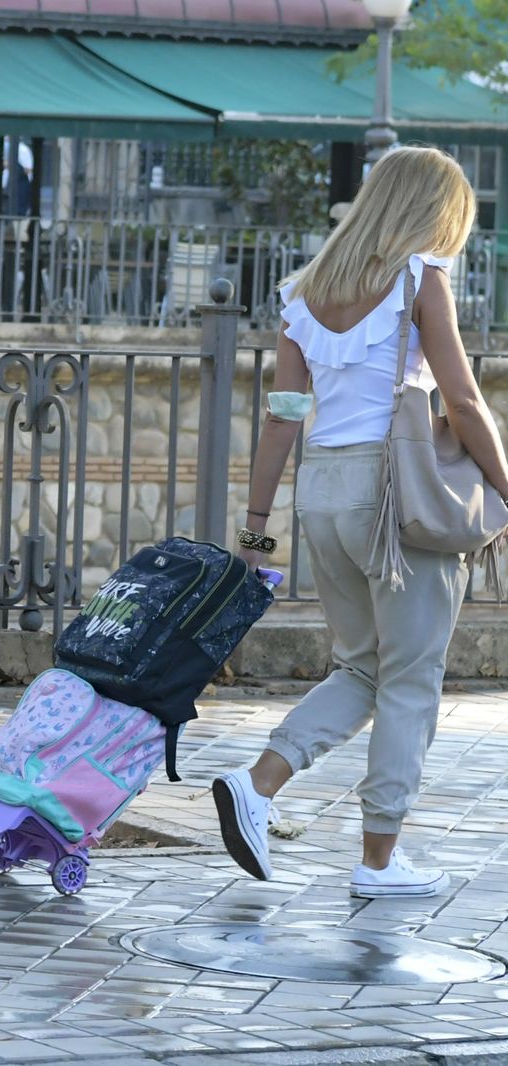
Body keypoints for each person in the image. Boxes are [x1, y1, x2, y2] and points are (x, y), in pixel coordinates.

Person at [212, 147, 508, 898]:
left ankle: (257, 784)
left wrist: (254, 535)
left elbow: (282, 421)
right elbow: (463, 400)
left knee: (363, 667)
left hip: (322, 492)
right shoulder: (419, 278)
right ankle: (379, 861)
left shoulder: (302, 293)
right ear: (429, 211)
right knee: (410, 677)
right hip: (394, 496)